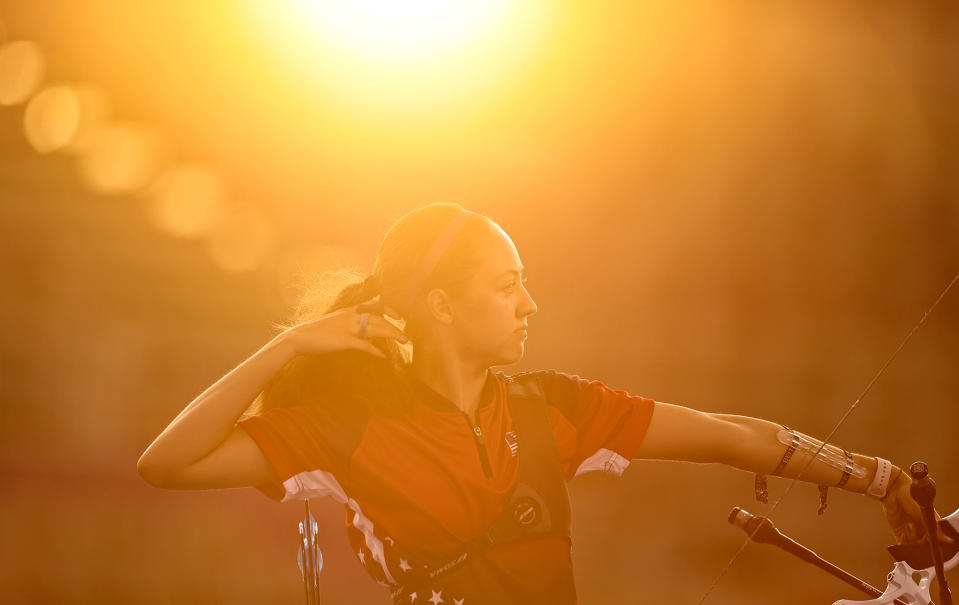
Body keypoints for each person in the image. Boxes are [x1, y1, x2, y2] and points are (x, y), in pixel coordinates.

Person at [137, 202, 946, 605]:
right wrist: (285, 346)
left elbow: (730, 435)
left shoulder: (548, 408)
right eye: (507, 284)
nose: (530, 304)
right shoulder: (340, 429)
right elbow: (165, 463)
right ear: (442, 307)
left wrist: (878, 479)